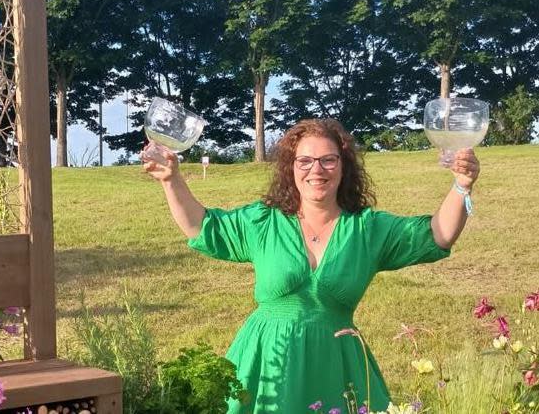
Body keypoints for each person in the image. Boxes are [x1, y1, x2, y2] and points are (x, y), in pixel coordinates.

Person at [142, 118, 480, 413]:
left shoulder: (368, 229)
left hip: (336, 367)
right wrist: (171, 180)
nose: (316, 170)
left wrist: (461, 185)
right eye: (304, 161)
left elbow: (439, 235)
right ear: (290, 167)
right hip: (265, 362)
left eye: (328, 160)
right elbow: (202, 226)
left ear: (344, 166)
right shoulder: (264, 222)